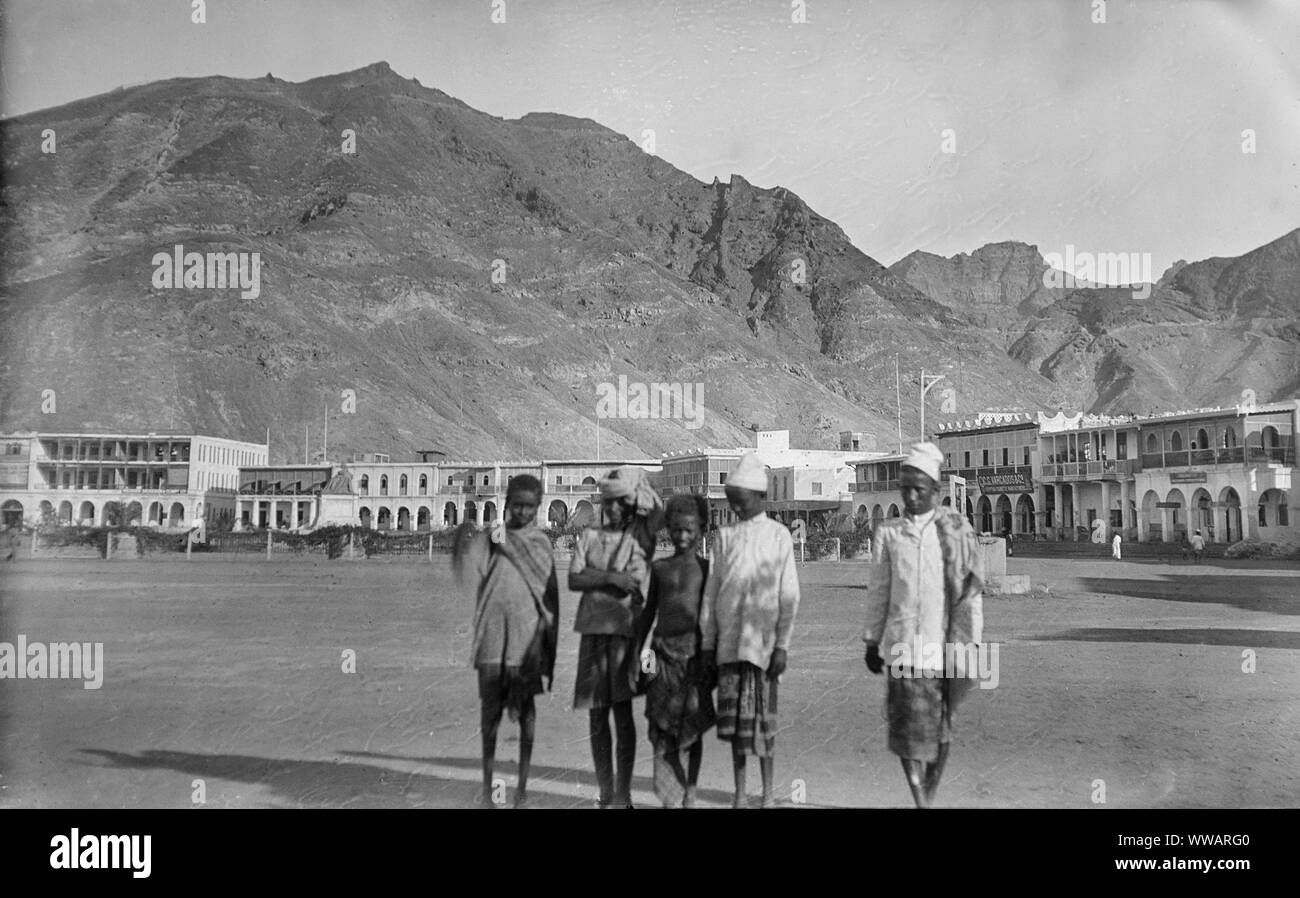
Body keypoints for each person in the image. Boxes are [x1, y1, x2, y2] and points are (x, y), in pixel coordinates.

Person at [863, 442, 983, 809]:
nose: (911, 496)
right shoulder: (889, 534)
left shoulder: (955, 530)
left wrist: (973, 643)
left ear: (935, 490)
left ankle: (928, 792)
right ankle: (921, 800)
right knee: (904, 730)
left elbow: (971, 593)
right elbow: (879, 591)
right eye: (905, 489)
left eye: (920, 489)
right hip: (901, 648)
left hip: (944, 648)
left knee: (941, 729)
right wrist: (871, 640)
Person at [700, 452, 800, 809]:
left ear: (758, 495)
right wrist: (709, 643)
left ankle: (769, 792)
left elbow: (789, 595)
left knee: (764, 727)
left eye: (740, 500)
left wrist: (782, 646)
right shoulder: (723, 538)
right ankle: (741, 794)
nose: (735, 507)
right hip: (729, 646)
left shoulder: (778, 536)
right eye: (731, 500)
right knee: (738, 729)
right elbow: (712, 593)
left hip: (763, 648)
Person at [453, 474, 559, 809]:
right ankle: (487, 791)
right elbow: (470, 570)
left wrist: (548, 646)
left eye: (530, 507)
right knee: (490, 716)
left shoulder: (541, 543)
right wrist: (463, 543)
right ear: (507, 503)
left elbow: (550, 597)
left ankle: (522, 791)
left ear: (538, 506)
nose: (523, 512)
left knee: (527, 716)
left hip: (526, 642)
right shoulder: (493, 538)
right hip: (492, 638)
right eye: (517, 505)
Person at [570, 467, 662, 808]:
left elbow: (658, 512)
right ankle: (606, 792)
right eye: (606, 501)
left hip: (626, 634)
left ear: (628, 504)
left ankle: (623, 795)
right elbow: (574, 580)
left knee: (622, 715)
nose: (610, 508)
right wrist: (611, 578)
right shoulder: (590, 537)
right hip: (593, 635)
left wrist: (637, 484)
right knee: (597, 716)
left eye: (617, 502)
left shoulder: (640, 535)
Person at [637, 494, 717, 808]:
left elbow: (715, 618)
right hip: (661, 659)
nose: (683, 536)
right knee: (660, 728)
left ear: (702, 530)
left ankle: (691, 793)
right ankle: (670, 796)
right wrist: (635, 653)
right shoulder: (659, 569)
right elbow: (648, 614)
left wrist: (714, 660)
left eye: (690, 530)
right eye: (677, 529)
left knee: (691, 730)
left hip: (695, 660)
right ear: (668, 528)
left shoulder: (708, 570)